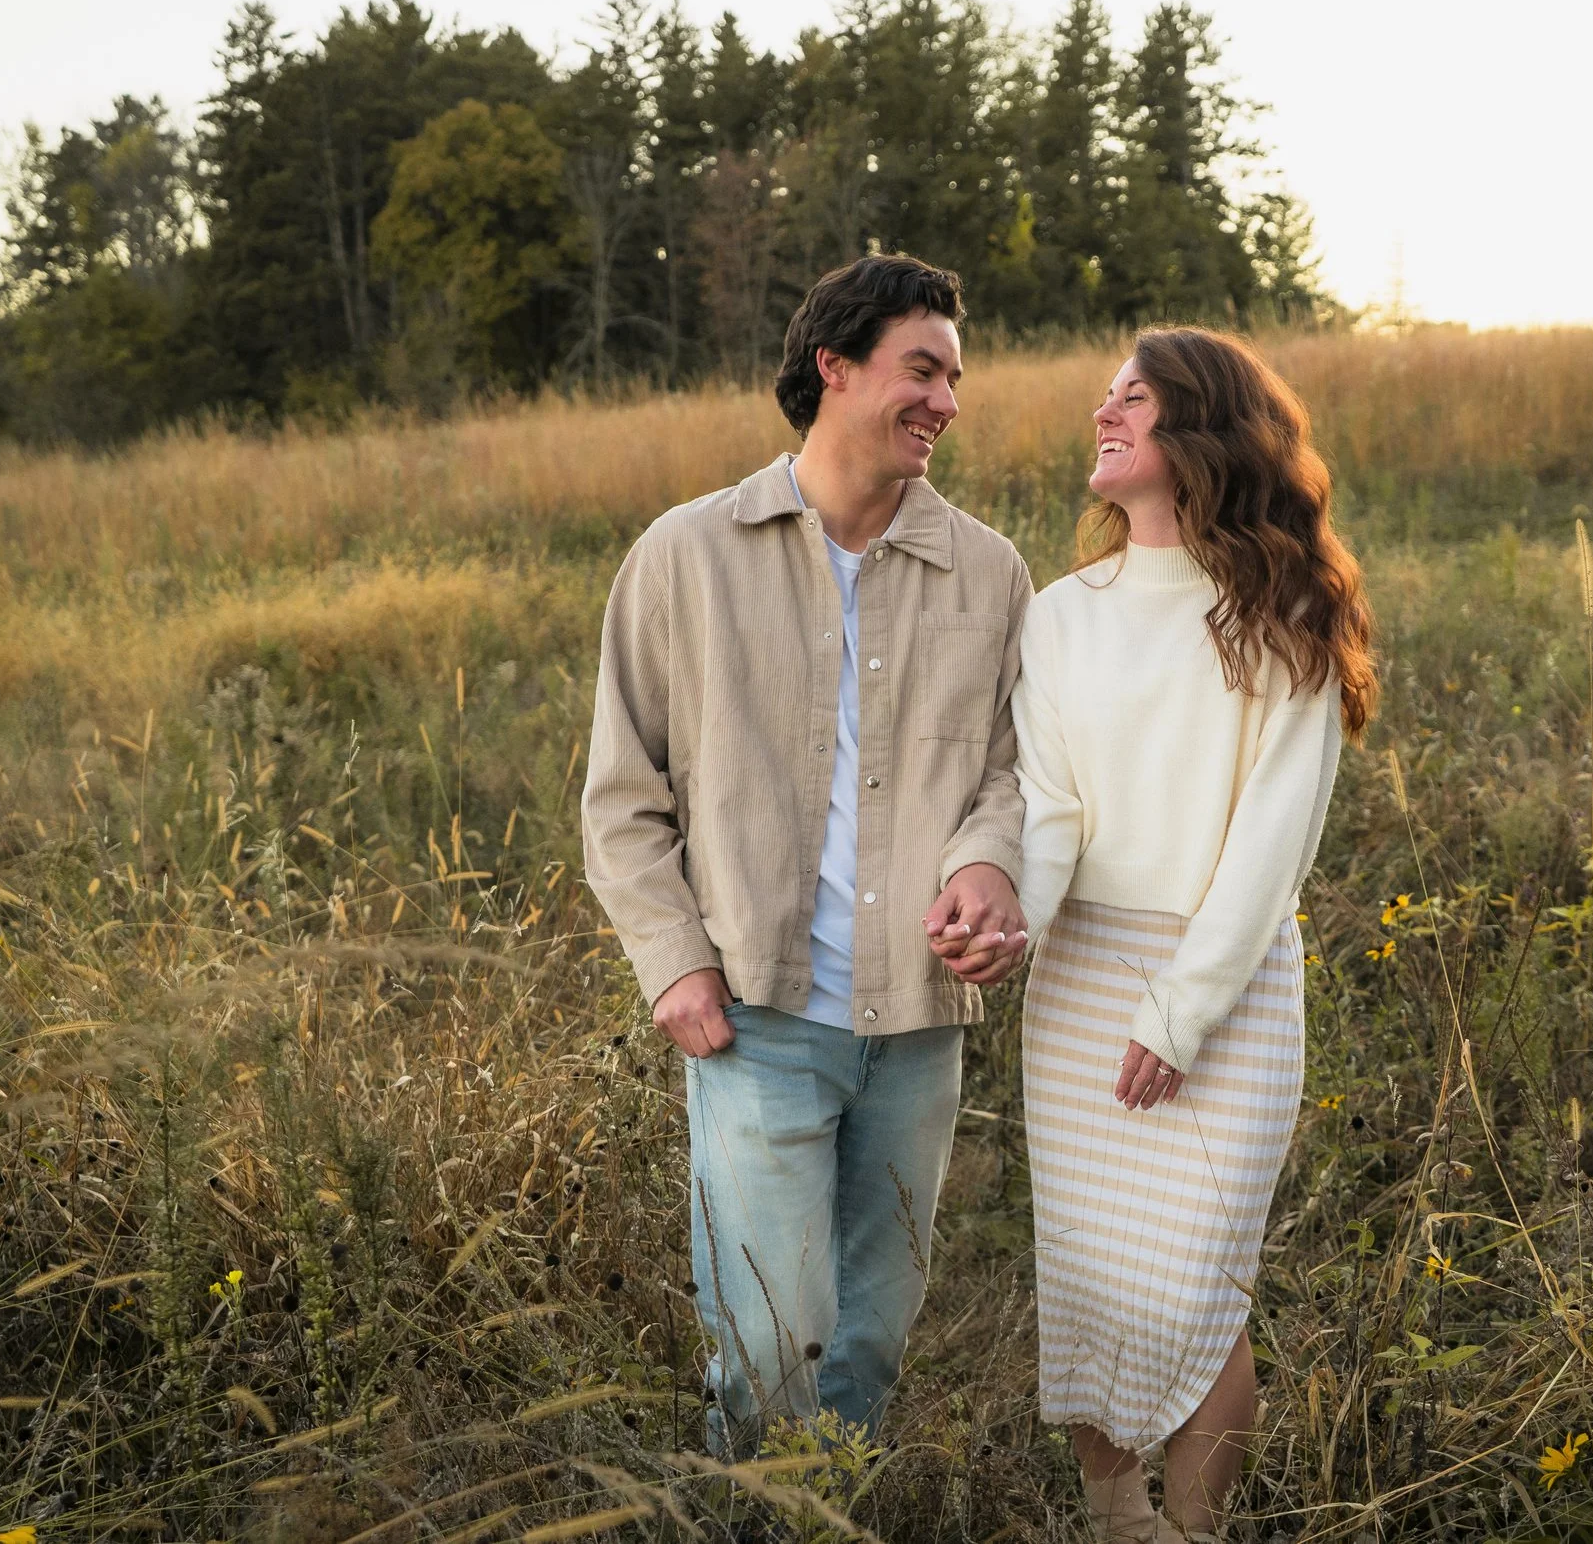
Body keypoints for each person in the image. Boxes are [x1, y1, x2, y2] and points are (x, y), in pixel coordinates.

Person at [581, 254, 1033, 1456]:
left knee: (871, 1342)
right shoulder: (684, 555)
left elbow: (1013, 771)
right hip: (756, 1014)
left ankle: (831, 1512)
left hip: (916, 1025)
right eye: (921, 368)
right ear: (833, 365)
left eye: (954, 376)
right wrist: (673, 961)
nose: (946, 399)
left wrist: (988, 865)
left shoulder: (989, 574)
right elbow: (622, 792)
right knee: (772, 1341)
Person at [1002, 328, 1376, 1541]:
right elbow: (1049, 809)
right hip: (1077, 985)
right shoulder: (1062, 613)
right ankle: (1118, 1521)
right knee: (1094, 1281)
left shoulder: (1285, 607)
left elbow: (1272, 840)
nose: (1103, 414)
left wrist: (1179, 1009)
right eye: (1101, 395)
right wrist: (1011, 921)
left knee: (1200, 1291)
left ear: (1202, 430)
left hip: (1227, 979)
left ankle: (1192, 1532)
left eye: (1135, 398)